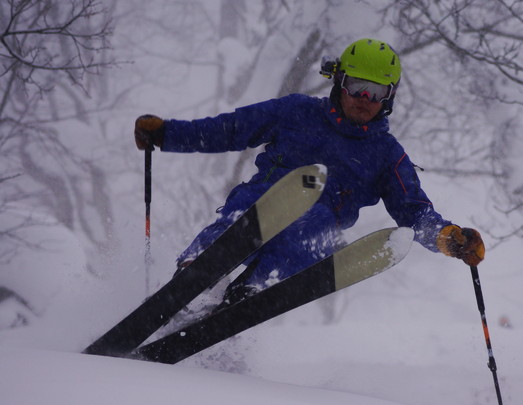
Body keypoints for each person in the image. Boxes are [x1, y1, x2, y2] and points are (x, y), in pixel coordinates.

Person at [134, 38, 484, 305]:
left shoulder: (386, 155)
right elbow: (229, 129)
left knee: (316, 227)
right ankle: (197, 272)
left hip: (310, 233)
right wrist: (166, 134)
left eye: (376, 91)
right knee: (255, 202)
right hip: (260, 203)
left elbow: (414, 211)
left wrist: (447, 238)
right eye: (356, 85)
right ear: (339, 80)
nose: (364, 97)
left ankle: (248, 296)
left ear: (389, 97)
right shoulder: (296, 112)